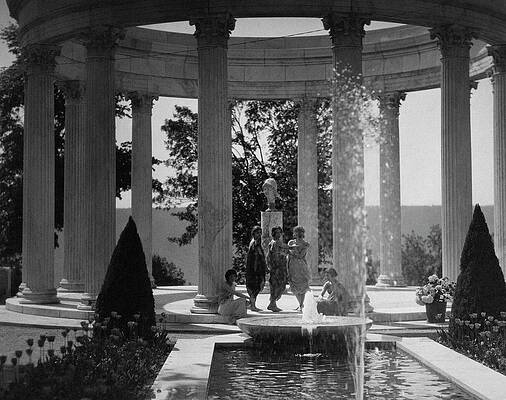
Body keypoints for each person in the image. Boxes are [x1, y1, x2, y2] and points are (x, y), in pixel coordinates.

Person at [287, 226, 310, 311]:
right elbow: (288, 255)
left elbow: (300, 256)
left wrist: (293, 249)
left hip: (301, 266)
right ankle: (300, 304)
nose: (299, 234)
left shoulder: (305, 244)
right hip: (292, 265)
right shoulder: (291, 242)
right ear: (294, 234)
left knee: (303, 284)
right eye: (297, 232)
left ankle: (301, 304)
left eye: (301, 232)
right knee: (293, 285)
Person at [266, 226, 289, 312]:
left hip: (276, 267)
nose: (279, 234)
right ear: (273, 233)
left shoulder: (273, 242)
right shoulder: (275, 242)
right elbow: (274, 254)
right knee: (279, 285)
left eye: (280, 232)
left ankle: (272, 303)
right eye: (277, 232)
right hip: (277, 267)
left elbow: (269, 256)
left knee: (276, 285)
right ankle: (272, 304)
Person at [245, 225, 267, 311]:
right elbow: (254, 257)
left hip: (257, 268)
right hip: (254, 269)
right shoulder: (254, 243)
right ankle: (252, 305)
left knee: (257, 287)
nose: (259, 234)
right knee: (254, 287)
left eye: (260, 233)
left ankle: (253, 305)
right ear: (253, 233)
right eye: (257, 233)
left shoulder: (257, 243)